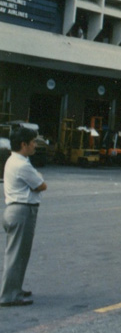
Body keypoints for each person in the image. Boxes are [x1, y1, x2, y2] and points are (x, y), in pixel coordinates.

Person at [1, 127, 47, 307]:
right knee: (16, 255)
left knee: (19, 254)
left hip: (16, 210)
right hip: (22, 212)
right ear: (23, 144)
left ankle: (15, 289)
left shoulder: (15, 160)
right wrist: (38, 179)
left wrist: (37, 179)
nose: (35, 145)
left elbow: (37, 183)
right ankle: (9, 296)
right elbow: (41, 186)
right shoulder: (22, 164)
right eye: (33, 142)